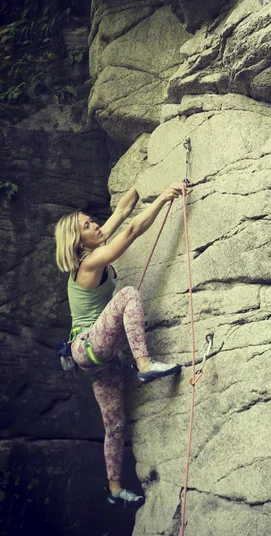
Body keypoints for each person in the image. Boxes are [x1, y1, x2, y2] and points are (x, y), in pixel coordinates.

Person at [54, 182, 185, 507]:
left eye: (92, 221)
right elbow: (132, 232)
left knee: (114, 425)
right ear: (78, 240)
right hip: (88, 346)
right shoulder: (88, 264)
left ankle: (114, 491)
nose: (96, 225)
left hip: (100, 360)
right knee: (127, 294)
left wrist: (144, 184)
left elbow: (124, 210)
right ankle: (144, 366)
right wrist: (162, 198)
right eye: (88, 225)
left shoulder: (93, 246)